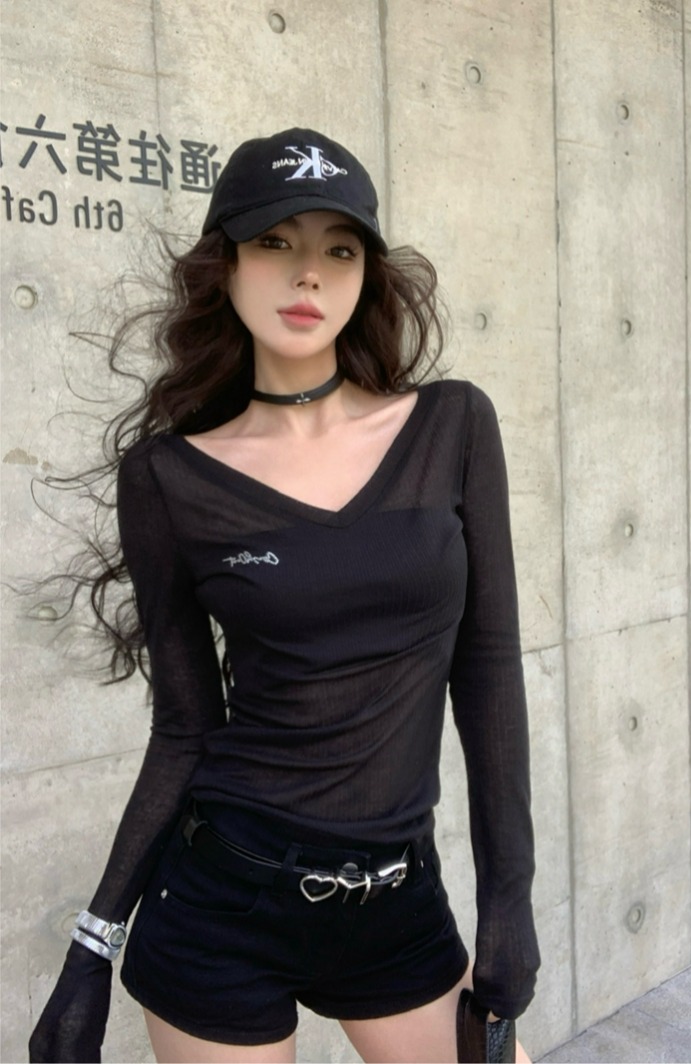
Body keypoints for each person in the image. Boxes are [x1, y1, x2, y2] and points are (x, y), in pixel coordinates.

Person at [28, 128, 540, 1064]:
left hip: (396, 905)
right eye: (275, 242)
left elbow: (490, 670)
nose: (308, 274)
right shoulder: (169, 478)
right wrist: (90, 948)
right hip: (221, 900)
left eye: (339, 249)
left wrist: (510, 899)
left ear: (366, 275)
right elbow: (186, 728)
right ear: (224, 264)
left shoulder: (452, 426)